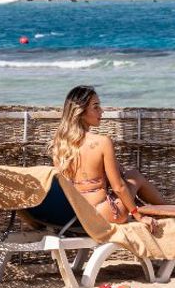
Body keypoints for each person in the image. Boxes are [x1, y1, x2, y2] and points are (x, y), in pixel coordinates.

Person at [49, 85, 167, 232]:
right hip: (103, 213)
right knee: (135, 176)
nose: (101, 111)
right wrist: (138, 215)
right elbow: (118, 187)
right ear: (81, 112)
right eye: (96, 107)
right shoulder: (102, 142)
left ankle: (160, 210)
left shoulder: (60, 144)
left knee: (127, 176)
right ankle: (171, 213)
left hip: (75, 216)